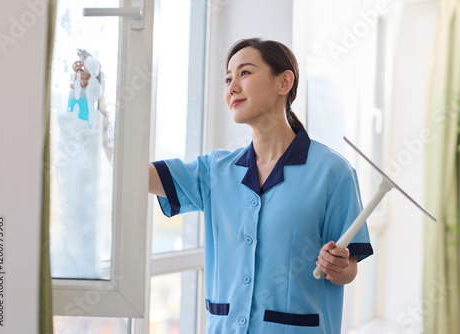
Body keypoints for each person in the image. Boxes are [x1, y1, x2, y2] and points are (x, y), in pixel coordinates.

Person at [79, 37, 373, 333]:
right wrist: (98, 108)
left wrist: (339, 267)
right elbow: (134, 174)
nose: (232, 88)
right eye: (228, 78)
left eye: (245, 73)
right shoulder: (215, 171)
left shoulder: (333, 173)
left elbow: (349, 268)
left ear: (283, 82)